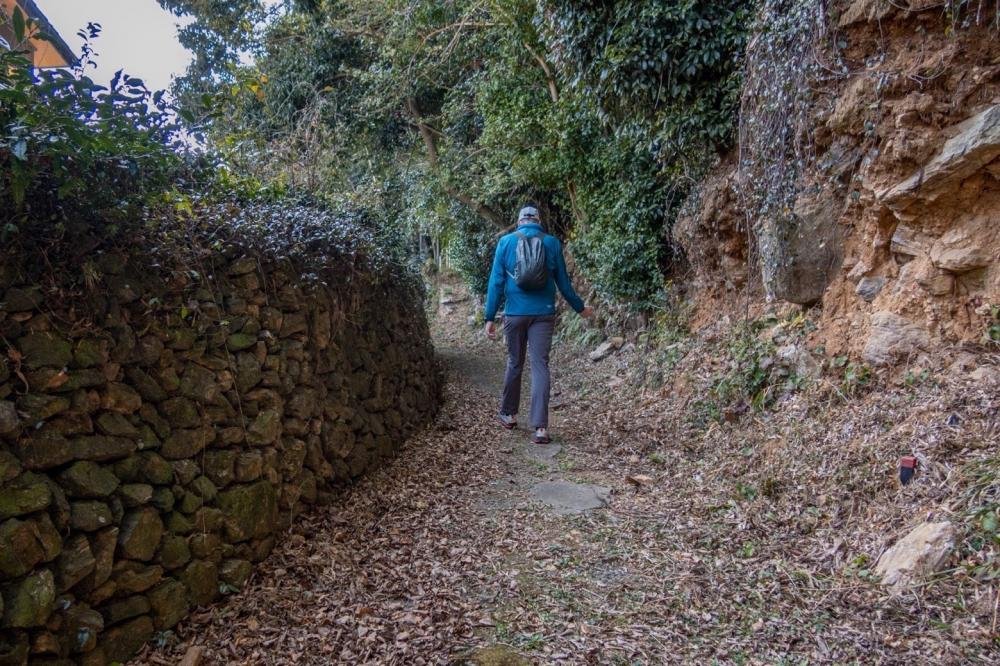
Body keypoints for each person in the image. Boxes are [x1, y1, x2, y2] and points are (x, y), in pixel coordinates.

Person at [484, 204, 593, 444]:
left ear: (520, 220)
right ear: (538, 220)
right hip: (543, 313)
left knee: (514, 362)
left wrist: (489, 317)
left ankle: (509, 415)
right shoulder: (552, 243)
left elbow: (496, 283)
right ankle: (541, 428)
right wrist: (580, 308)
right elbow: (564, 283)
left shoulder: (506, 242)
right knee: (540, 365)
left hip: (514, 314)